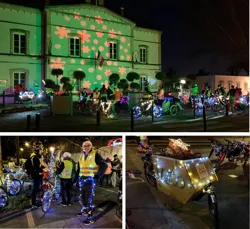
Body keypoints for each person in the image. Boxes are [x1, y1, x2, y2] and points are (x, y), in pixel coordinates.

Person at [75, 141, 107, 225]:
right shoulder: (81, 155)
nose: (86, 147)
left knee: (89, 199)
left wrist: (97, 176)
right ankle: (85, 211)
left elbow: (104, 165)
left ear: (91, 146)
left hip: (90, 180)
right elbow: (79, 168)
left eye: (88, 145)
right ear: (82, 147)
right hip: (82, 180)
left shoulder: (95, 154)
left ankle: (90, 218)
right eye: (84, 145)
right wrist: (76, 179)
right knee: (82, 197)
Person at [30, 142, 44, 207]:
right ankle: (34, 203)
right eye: (41, 150)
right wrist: (43, 170)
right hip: (36, 175)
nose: (41, 151)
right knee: (35, 189)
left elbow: (40, 166)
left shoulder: (37, 157)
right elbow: (37, 167)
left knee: (38, 188)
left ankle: (36, 200)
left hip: (38, 175)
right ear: (38, 150)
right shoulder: (35, 158)